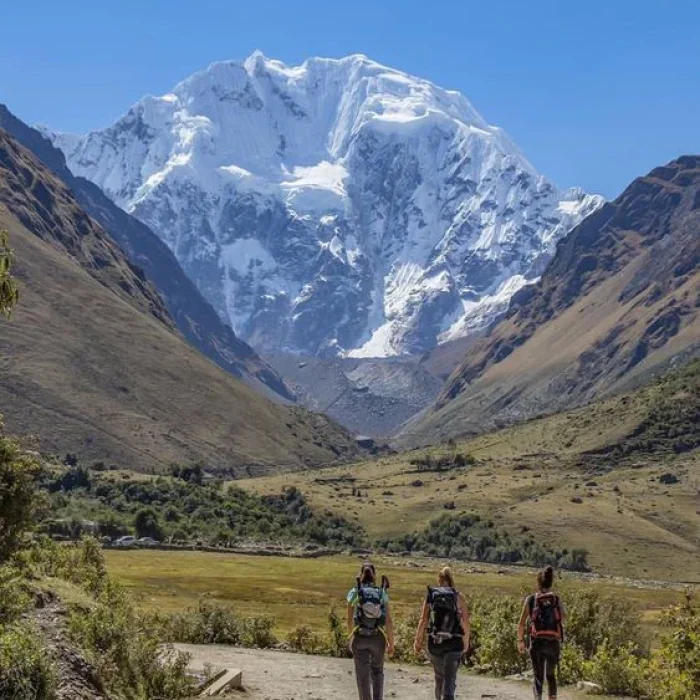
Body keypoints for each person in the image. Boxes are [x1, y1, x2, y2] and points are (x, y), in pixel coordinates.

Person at [413, 566, 471, 700]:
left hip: (435, 643)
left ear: (439, 580)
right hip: (454, 642)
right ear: (451, 579)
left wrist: (418, 640)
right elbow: (466, 622)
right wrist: (466, 641)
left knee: (439, 677)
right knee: (450, 679)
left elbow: (423, 619)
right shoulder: (458, 596)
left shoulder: (431, 595)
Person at [347, 561, 394, 700]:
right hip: (378, 637)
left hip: (360, 636)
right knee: (378, 671)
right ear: (374, 576)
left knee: (362, 675)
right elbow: (388, 621)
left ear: (361, 575)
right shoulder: (381, 592)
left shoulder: (356, 591)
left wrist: (350, 636)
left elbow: (349, 617)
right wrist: (391, 642)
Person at [517, 566, 566, 700]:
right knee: (551, 676)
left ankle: (538, 697)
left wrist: (520, 640)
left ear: (538, 583)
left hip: (536, 642)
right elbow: (564, 618)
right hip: (553, 643)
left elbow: (521, 622)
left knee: (538, 676)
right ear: (551, 582)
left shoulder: (531, 599)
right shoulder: (556, 599)